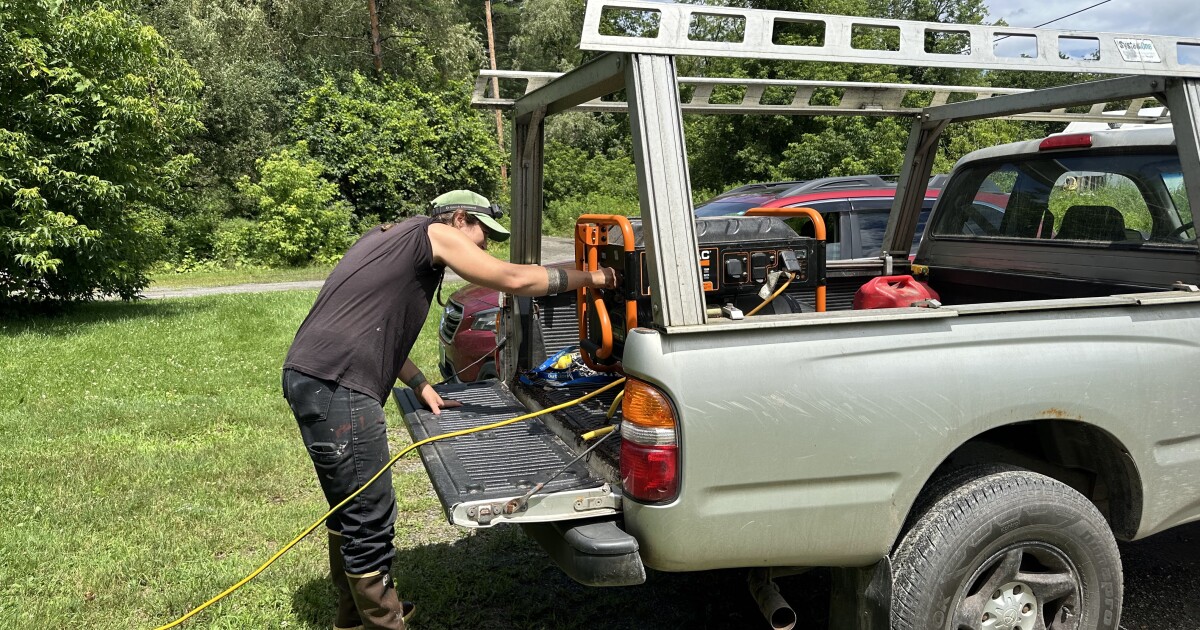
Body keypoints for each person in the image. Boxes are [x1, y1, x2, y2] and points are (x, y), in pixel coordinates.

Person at [281, 189, 617, 630]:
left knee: (350, 508)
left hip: (312, 375)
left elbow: (369, 321)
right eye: (481, 236)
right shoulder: (435, 234)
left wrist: (419, 381)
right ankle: (384, 623)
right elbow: (513, 279)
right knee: (370, 515)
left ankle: (353, 619)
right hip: (337, 386)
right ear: (459, 218)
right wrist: (595, 278)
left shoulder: (385, 237)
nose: (483, 248)